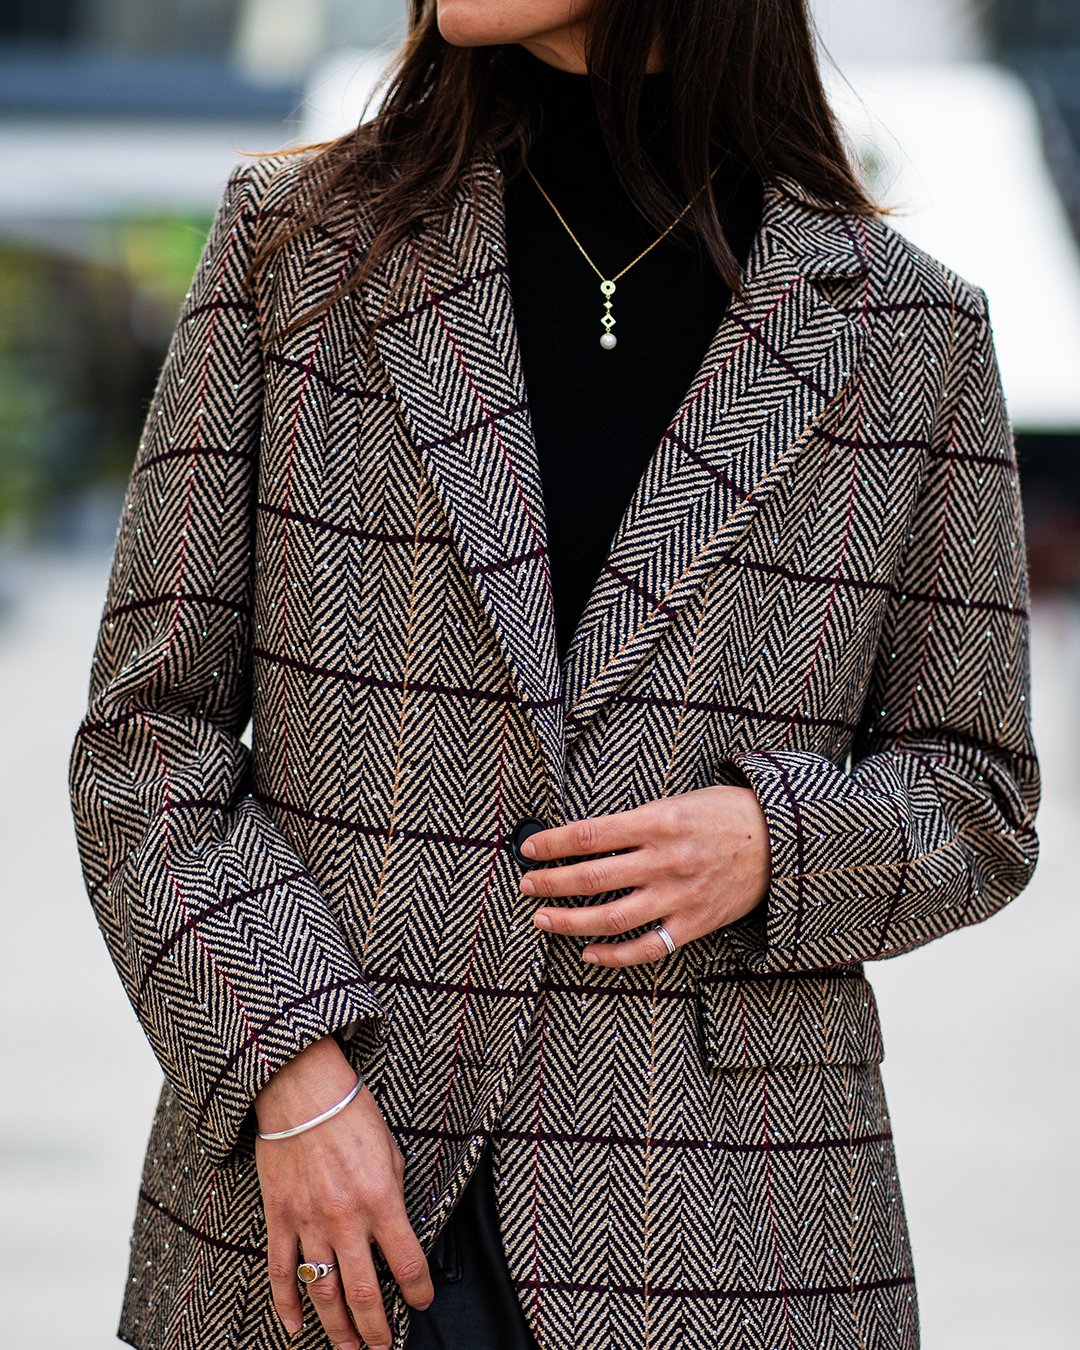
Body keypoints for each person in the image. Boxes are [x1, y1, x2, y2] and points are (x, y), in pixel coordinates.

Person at [69, 0, 1039, 1346]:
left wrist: (778, 842)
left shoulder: (909, 332)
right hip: (333, 1202)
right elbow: (147, 735)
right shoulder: (294, 249)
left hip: (735, 1226)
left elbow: (980, 793)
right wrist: (289, 1074)